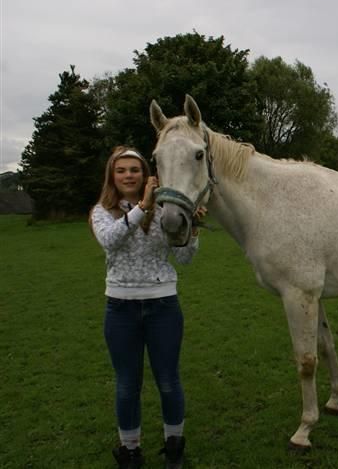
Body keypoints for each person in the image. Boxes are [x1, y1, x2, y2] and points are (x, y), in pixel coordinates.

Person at [90, 146, 204, 469]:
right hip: (121, 309)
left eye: (135, 170)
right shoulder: (102, 211)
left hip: (163, 306)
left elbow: (184, 258)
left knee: (168, 381)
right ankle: (130, 451)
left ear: (146, 175)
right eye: (121, 170)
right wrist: (142, 206)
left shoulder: (164, 210)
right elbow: (111, 240)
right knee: (127, 385)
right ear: (112, 176)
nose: (128, 175)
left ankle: (174, 447)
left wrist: (191, 230)